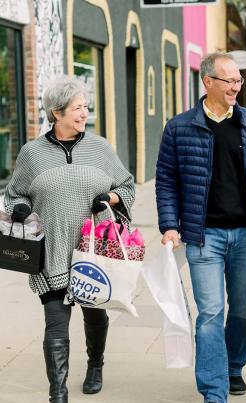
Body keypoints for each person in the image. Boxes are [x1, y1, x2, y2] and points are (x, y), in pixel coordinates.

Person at [155, 52, 246, 403]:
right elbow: (167, 181)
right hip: (204, 237)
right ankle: (214, 390)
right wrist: (170, 225)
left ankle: (233, 367)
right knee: (211, 312)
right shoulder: (179, 127)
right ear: (208, 82)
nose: (236, 86)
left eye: (238, 80)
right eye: (229, 80)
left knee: (243, 310)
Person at [4, 76, 135, 402]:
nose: (84, 113)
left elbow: (127, 186)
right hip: (51, 251)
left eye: (85, 107)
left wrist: (110, 198)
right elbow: (14, 193)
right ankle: (57, 395)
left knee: (95, 314)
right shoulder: (32, 153)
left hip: (93, 250)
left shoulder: (100, 147)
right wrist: (19, 207)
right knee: (55, 323)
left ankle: (95, 365)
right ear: (56, 112)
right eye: (77, 108)